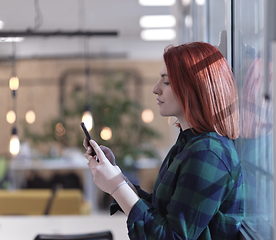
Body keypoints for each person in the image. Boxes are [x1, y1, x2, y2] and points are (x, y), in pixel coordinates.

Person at [84, 42, 244, 240]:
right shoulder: (188, 144)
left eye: (166, 82)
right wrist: (116, 175)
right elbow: (163, 211)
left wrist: (116, 187)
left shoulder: (208, 154)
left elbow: (171, 236)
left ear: (194, 88)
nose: (155, 89)